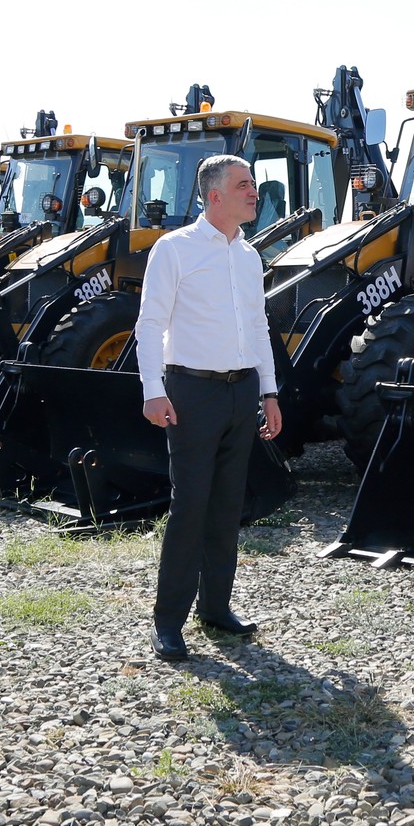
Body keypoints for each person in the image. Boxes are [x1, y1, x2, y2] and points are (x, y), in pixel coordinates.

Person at [134, 154, 281, 663]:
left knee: (227, 506)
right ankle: (167, 622)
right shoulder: (174, 249)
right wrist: (152, 390)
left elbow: (258, 327)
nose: (254, 191)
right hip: (191, 392)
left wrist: (269, 392)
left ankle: (215, 608)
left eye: (253, 184)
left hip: (242, 392)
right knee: (190, 505)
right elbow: (150, 323)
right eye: (244, 185)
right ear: (215, 195)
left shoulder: (249, 256)